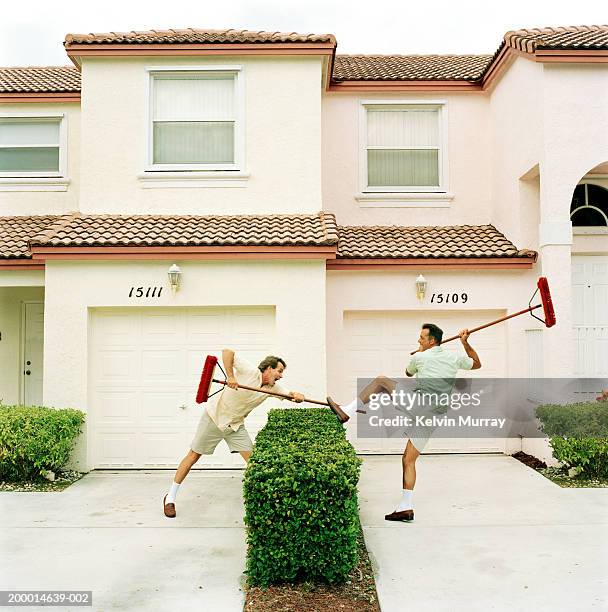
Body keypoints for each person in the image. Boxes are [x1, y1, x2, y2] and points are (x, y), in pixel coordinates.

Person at [327, 323, 481, 522]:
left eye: (422, 338)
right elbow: (476, 363)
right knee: (408, 459)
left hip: (420, 405)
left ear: (432, 340)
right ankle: (405, 507)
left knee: (381, 381)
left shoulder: (419, 357)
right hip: (434, 415)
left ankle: (347, 411)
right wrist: (465, 343)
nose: (419, 340)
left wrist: (419, 353)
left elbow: (408, 373)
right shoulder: (453, 357)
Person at [163, 349, 305, 518]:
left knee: (254, 464)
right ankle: (170, 497)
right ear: (268, 368)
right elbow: (227, 352)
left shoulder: (273, 388)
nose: (281, 376)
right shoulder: (249, 371)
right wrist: (230, 376)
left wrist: (297, 396)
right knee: (193, 456)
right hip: (214, 418)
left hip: (235, 426)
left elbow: (289, 395)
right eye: (279, 371)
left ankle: (262, 502)